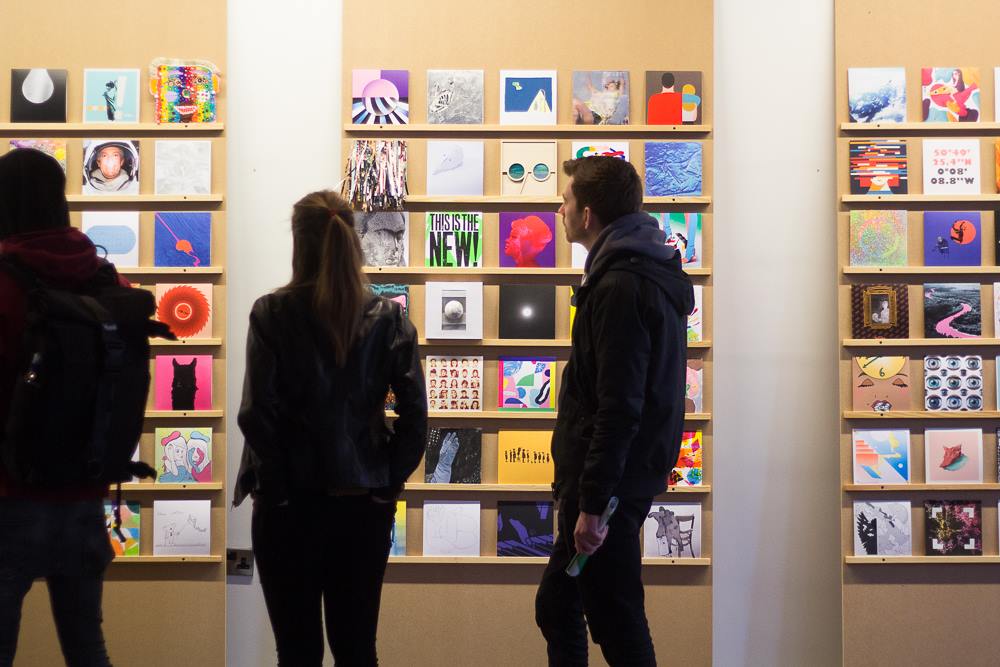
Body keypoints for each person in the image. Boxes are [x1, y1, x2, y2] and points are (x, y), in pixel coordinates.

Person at [234, 190, 426, 666]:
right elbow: (415, 417)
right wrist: (387, 485)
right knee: (357, 649)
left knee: (297, 651)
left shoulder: (272, 312)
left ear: (298, 242)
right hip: (362, 504)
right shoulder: (388, 317)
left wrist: (277, 491)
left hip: (289, 508)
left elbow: (256, 414)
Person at [535, 156, 693, 666]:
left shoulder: (619, 285)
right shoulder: (637, 271)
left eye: (565, 201)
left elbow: (619, 404)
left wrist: (593, 503)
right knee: (559, 605)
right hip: (617, 480)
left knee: (617, 619)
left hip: (609, 487)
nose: (560, 210)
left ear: (587, 214)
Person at [0, 148, 121, 666]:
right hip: (83, 495)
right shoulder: (105, 280)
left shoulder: (5, 282)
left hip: (9, 495)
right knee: (87, 648)